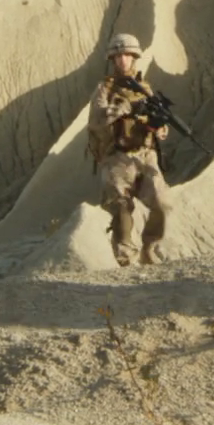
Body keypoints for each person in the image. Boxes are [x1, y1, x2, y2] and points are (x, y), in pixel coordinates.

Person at [86, 34, 172, 266]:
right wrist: (120, 109)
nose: (123, 60)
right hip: (117, 156)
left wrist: (160, 127)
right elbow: (96, 121)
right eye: (118, 56)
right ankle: (126, 259)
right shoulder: (105, 88)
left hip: (145, 154)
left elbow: (157, 120)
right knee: (121, 208)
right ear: (112, 60)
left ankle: (149, 248)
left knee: (162, 203)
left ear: (134, 57)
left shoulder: (145, 88)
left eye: (127, 55)